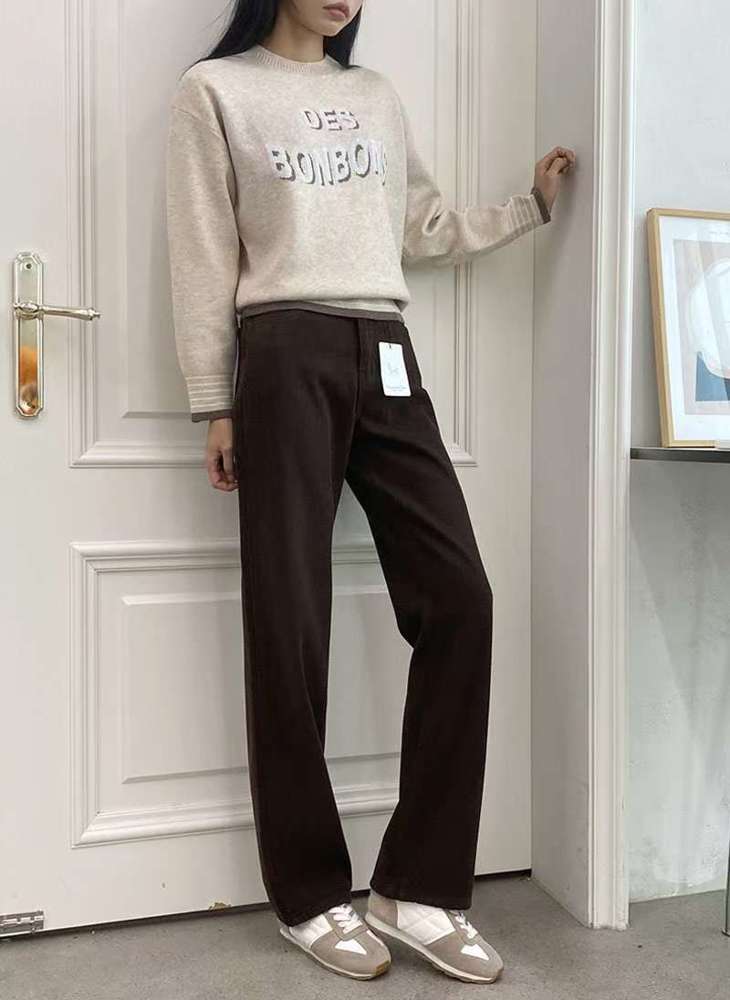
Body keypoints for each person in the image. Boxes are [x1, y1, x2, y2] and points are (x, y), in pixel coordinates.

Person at [165, 0, 575, 984]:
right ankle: (310, 894)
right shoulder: (215, 92)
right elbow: (202, 253)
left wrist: (526, 207)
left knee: (460, 598)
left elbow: (418, 225)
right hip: (283, 351)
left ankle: (417, 888)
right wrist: (213, 401)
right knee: (290, 623)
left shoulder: (375, 96)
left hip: (384, 349)